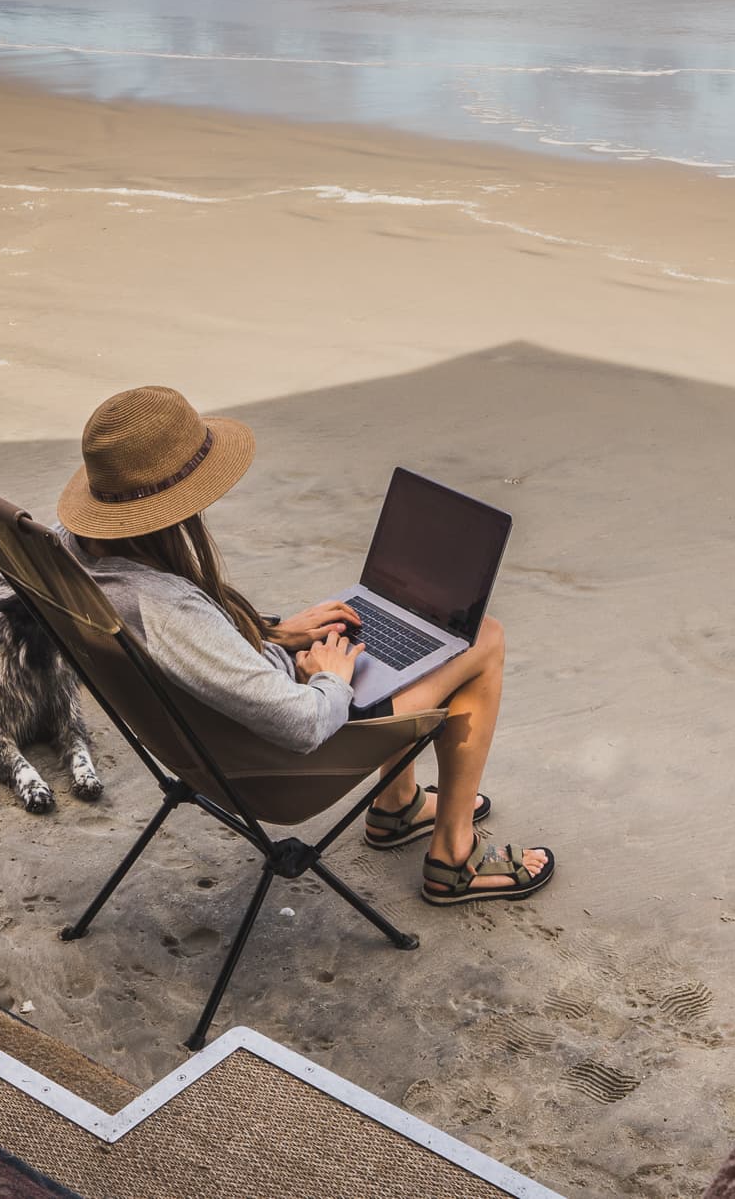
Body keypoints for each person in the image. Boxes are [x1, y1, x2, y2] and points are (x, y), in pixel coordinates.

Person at [57, 385, 553, 906]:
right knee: (481, 640)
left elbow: (200, 657)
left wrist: (270, 633)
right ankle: (454, 855)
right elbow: (303, 724)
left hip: (200, 745)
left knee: (366, 633)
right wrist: (329, 677)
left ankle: (396, 802)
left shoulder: (71, 555)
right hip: (276, 767)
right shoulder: (163, 606)